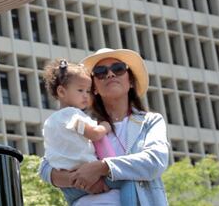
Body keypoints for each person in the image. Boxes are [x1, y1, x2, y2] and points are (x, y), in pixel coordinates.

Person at [38, 48, 170, 206]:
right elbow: (46, 168)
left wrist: (101, 167)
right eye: (100, 72)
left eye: (118, 69)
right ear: (94, 87)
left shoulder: (150, 121)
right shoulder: (82, 121)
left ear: (131, 81)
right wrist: (79, 179)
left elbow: (155, 161)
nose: (110, 74)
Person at [42, 59, 119, 204]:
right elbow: (94, 134)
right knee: (127, 182)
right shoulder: (72, 115)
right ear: (61, 91)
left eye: (88, 91)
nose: (86, 95)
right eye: (80, 90)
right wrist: (105, 126)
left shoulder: (50, 121)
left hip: (67, 182)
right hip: (88, 175)